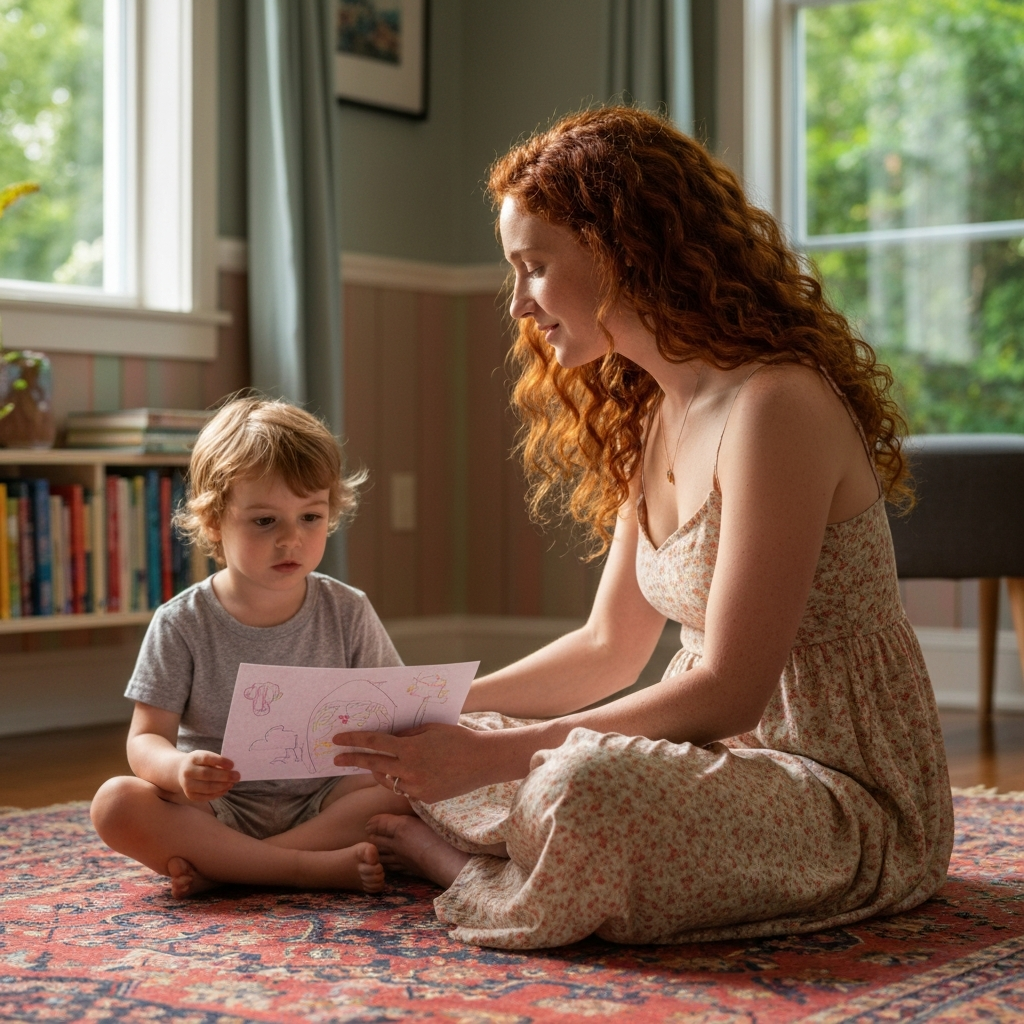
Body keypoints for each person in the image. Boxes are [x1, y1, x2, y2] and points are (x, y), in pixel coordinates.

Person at [332, 107, 954, 949]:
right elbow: (607, 649)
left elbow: (730, 690)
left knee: (584, 784)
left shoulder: (778, 407)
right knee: (510, 757)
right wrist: (439, 713)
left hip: (838, 793)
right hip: (711, 766)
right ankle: (529, 853)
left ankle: (470, 865)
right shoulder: (655, 413)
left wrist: (485, 760)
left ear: (622, 251)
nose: (519, 303)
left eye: (536, 267)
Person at [90, 397, 411, 897]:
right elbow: (144, 740)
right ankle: (305, 868)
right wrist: (178, 769)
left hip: (323, 801)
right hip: (218, 809)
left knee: (410, 791)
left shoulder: (348, 609)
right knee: (116, 803)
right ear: (215, 521)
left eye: (310, 516)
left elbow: (393, 715)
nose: (291, 540)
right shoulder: (181, 622)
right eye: (265, 521)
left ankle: (232, 868)